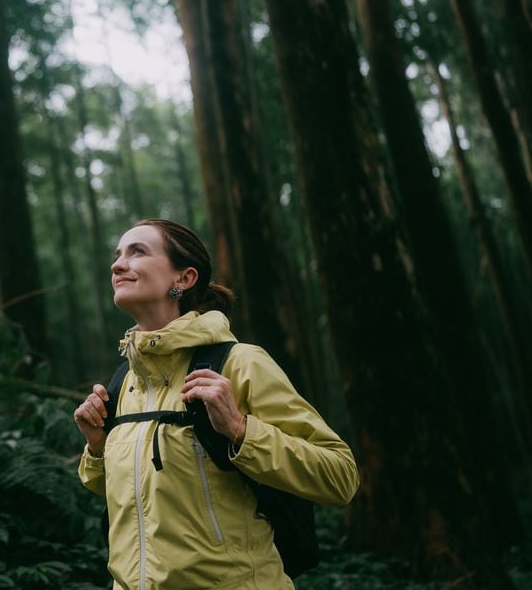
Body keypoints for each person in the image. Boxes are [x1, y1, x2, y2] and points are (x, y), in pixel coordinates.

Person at [74, 219, 359, 589]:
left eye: (137, 251)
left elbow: (340, 476)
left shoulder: (240, 363)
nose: (117, 264)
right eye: (117, 255)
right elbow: (132, 497)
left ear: (185, 278)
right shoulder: (123, 382)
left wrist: (241, 432)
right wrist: (97, 447)